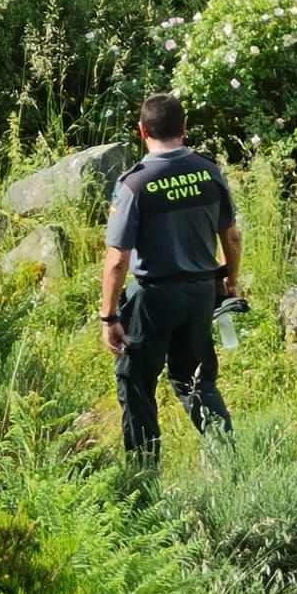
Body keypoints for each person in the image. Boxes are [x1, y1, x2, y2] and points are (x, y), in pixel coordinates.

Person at [100, 93, 241, 462]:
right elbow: (232, 236)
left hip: (153, 297)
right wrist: (230, 282)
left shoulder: (134, 184)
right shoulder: (209, 172)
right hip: (199, 293)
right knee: (195, 380)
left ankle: (144, 474)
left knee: (135, 384)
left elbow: (117, 259)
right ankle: (230, 463)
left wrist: (109, 316)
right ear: (184, 128)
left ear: (141, 131)